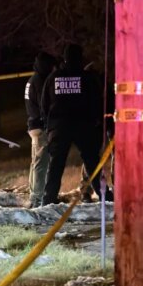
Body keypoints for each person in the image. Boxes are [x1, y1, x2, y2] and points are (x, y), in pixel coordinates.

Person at [41, 44, 112, 205]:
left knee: (56, 165)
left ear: (64, 58)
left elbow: (44, 104)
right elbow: (97, 101)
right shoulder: (87, 77)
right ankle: (104, 195)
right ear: (80, 57)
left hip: (59, 127)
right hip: (84, 126)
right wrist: (97, 122)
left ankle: (48, 199)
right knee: (92, 163)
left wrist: (49, 125)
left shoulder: (54, 77)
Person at [25, 51, 56, 208]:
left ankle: (34, 195)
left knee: (36, 162)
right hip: (40, 126)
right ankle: (37, 198)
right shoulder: (41, 81)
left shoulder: (32, 79)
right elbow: (43, 105)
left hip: (33, 125)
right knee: (41, 163)